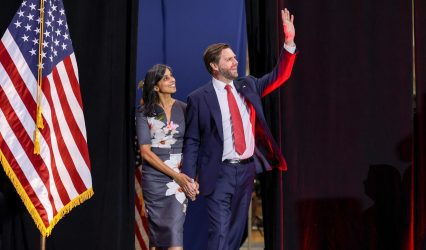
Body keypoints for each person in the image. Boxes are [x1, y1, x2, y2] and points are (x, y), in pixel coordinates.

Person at [181, 8, 297, 250]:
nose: (235, 62)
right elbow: (192, 140)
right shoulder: (199, 98)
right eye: (229, 59)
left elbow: (279, 75)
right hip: (218, 172)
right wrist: (189, 177)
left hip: (246, 172)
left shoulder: (249, 85)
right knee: (220, 232)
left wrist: (289, 42)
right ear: (214, 66)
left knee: (235, 233)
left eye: (235, 57)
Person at [136, 64, 196, 250]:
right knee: (157, 240)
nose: (173, 80)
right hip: (154, 181)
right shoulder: (144, 113)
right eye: (166, 78)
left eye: (172, 75)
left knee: (174, 232)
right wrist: (176, 175)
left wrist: (191, 178)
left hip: (179, 182)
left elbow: (193, 146)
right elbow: (146, 152)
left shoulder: (186, 109)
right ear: (155, 86)